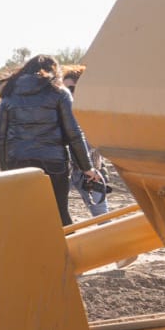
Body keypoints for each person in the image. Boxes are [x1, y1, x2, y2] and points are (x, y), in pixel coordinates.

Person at [0, 54, 100, 225]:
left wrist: (5, 169)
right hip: (53, 163)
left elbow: (1, 136)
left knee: (24, 215)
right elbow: (74, 133)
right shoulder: (59, 93)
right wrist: (87, 167)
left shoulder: (9, 93)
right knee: (59, 214)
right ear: (54, 71)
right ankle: (67, 250)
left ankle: (29, 250)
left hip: (18, 162)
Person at [62, 66, 110, 218]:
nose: (67, 93)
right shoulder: (61, 111)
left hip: (91, 172)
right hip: (67, 170)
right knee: (58, 213)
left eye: (71, 88)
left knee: (102, 215)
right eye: (64, 89)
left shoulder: (94, 112)